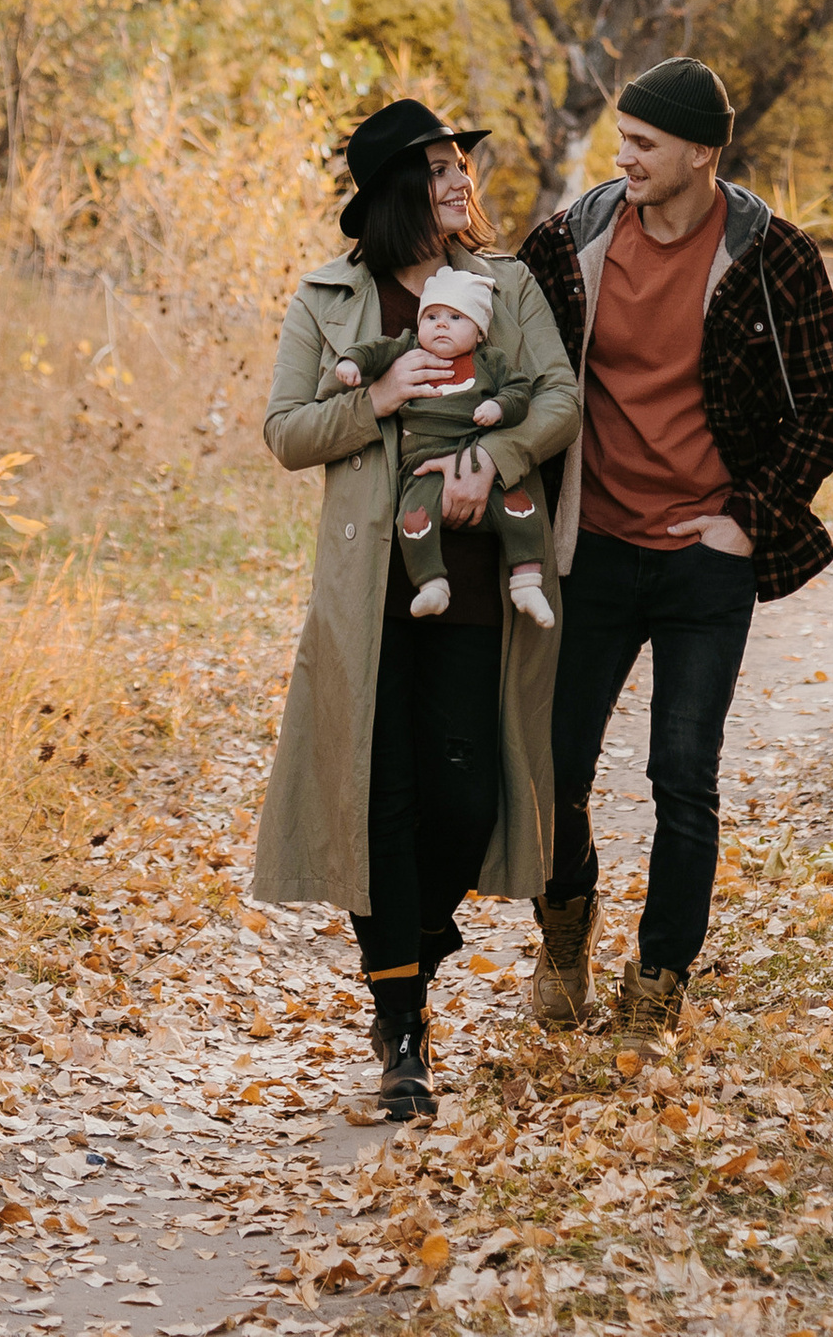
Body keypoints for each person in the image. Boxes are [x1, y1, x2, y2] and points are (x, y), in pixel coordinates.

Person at [518, 56, 833, 1046]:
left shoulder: (770, 253)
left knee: (682, 775)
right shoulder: (572, 237)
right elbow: (493, 338)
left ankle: (660, 976)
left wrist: (747, 515)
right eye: (621, 139)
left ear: (702, 155)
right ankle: (566, 929)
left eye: (645, 144)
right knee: (553, 771)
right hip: (592, 547)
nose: (623, 156)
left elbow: (827, 403)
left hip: (706, 555)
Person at [254, 99, 578, 1120]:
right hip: (368, 594)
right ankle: (401, 1035)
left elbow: (560, 400)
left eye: (461, 167)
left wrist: (494, 456)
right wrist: (382, 397)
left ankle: (417, 936)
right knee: (375, 796)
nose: (459, 183)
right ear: (399, 189)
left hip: (478, 581)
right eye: (439, 169)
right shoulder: (328, 299)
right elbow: (286, 431)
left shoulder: (504, 284)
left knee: (465, 794)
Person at [324, 260, 556, 624]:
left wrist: (499, 407)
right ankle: (432, 583)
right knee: (413, 520)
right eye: (431, 317)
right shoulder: (409, 349)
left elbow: (520, 391)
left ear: (479, 332)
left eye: (456, 317)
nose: (442, 324)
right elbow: (374, 349)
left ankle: (526, 581)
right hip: (422, 466)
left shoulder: (490, 361)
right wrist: (353, 363)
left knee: (520, 510)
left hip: (477, 460)